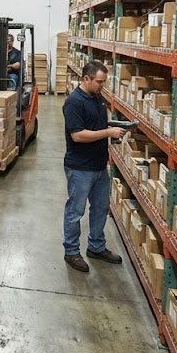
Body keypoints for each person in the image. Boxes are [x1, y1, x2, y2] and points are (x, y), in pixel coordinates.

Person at [62, 60, 125, 273]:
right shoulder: (74, 102)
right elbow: (78, 135)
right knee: (75, 211)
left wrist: (115, 132)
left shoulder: (98, 99)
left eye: (104, 82)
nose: (102, 86)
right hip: (80, 168)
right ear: (86, 78)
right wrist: (107, 133)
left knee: (100, 208)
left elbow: (98, 127)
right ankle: (71, 251)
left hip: (99, 166)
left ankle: (96, 247)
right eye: (99, 82)